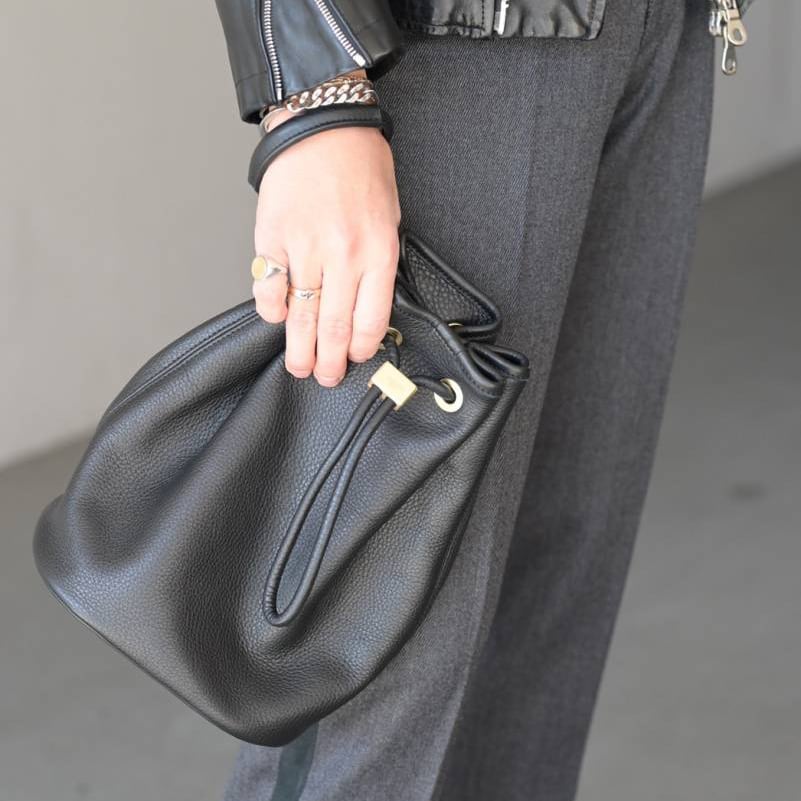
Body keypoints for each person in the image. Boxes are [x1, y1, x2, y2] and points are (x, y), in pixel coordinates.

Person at [212, 1, 751, 799]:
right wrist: (312, 90)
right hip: (455, 41)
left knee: (552, 584)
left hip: (662, 30)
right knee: (380, 646)